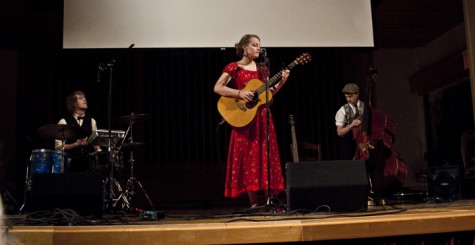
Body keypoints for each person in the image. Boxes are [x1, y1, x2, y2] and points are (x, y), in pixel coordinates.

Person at [214, 34, 290, 208]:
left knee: (265, 157)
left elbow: (266, 96)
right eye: (255, 45)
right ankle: (254, 203)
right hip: (245, 120)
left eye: (259, 45)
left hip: (263, 118)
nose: (258, 48)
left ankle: (270, 200)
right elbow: (217, 87)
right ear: (244, 48)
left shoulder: (263, 69)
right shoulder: (234, 67)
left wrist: (282, 82)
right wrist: (240, 93)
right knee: (248, 159)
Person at [55, 90, 101, 172]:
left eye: (85, 98)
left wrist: (100, 153)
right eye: (81, 98)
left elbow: (96, 144)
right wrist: (75, 144)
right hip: (70, 165)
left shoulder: (92, 121)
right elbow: (58, 147)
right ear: (74, 104)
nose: (85, 99)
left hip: (88, 166)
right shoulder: (63, 122)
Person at [335, 83, 365, 160]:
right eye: (346, 97)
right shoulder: (342, 110)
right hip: (350, 142)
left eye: (350, 96)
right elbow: (339, 132)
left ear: (357, 94)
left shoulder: (365, 107)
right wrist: (351, 125)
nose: (348, 99)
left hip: (364, 140)